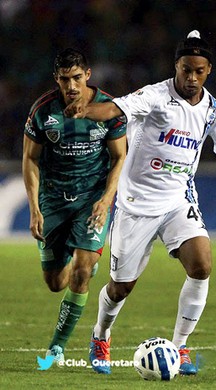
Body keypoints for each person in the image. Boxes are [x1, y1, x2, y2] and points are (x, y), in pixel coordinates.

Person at [65, 30, 216, 375]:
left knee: (201, 265)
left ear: (209, 71)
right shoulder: (156, 96)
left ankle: (181, 346)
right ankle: (101, 335)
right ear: (177, 66)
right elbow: (116, 109)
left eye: (198, 71)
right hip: (135, 204)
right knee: (120, 287)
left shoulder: (213, 110)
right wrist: (84, 111)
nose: (191, 77)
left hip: (177, 201)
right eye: (186, 69)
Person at [22, 48, 126, 363]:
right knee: (56, 283)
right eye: (65, 79)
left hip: (91, 201)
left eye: (77, 78)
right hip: (53, 199)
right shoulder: (43, 111)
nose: (71, 86)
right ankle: (78, 253)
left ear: (88, 76)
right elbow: (30, 159)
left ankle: (56, 347)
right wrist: (34, 209)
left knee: (81, 273)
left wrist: (106, 200)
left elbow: (120, 156)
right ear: (57, 78)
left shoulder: (108, 109)